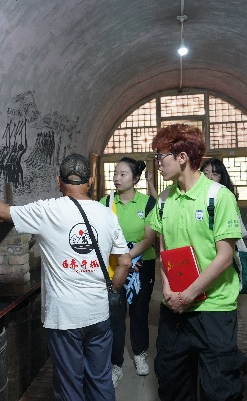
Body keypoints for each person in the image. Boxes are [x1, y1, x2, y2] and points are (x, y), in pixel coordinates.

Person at [0, 153, 132, 401]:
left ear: (58, 181)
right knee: (100, 379)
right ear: (90, 182)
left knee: (70, 384)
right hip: (98, 312)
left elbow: (0, 211)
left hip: (65, 318)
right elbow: (125, 262)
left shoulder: (47, 210)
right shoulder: (107, 214)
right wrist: (113, 289)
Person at [149, 124, 246, 401]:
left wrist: (188, 295)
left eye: (161, 156)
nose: (157, 163)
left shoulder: (219, 196)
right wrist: (168, 290)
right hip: (174, 307)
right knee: (172, 384)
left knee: (219, 389)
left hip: (213, 309)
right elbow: (163, 247)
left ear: (181, 157)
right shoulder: (164, 200)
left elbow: (224, 257)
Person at [100, 157, 157, 387]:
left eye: (123, 174)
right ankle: (116, 364)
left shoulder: (148, 203)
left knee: (139, 311)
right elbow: (101, 237)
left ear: (135, 179)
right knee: (115, 315)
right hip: (114, 267)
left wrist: (130, 257)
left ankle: (140, 353)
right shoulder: (105, 203)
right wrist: (122, 260)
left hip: (142, 266)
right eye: (115, 173)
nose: (117, 178)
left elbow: (149, 238)